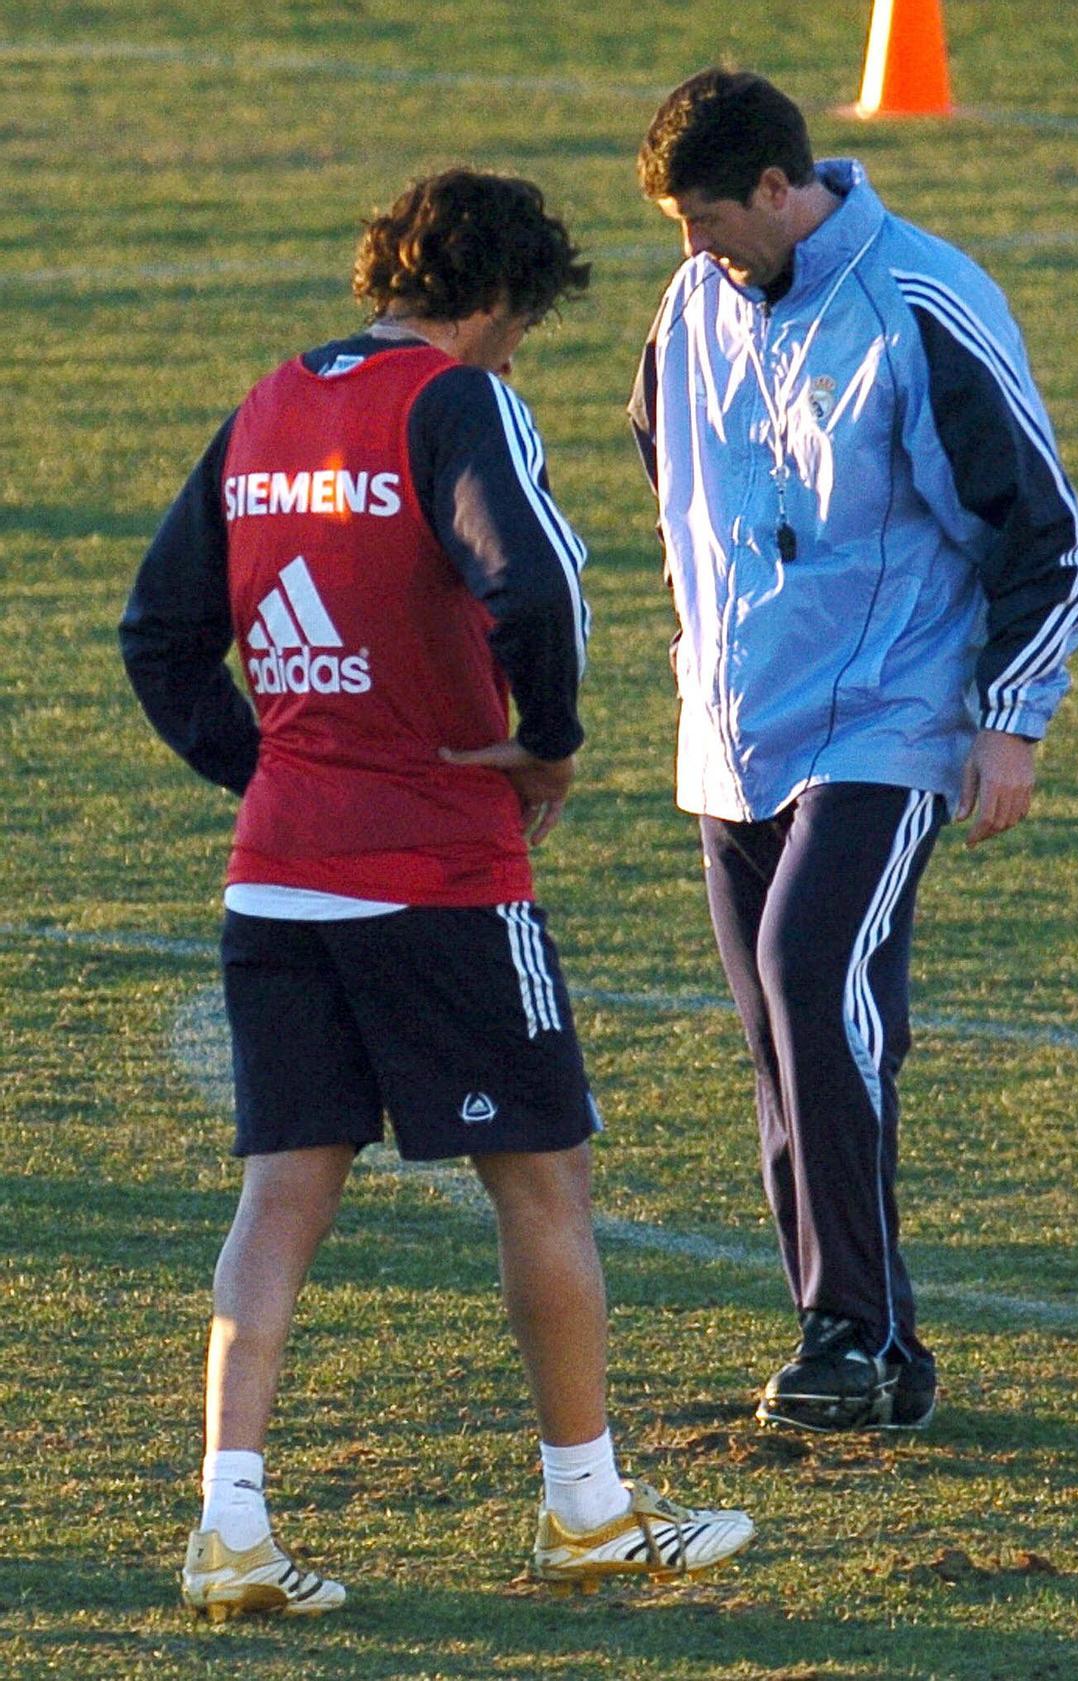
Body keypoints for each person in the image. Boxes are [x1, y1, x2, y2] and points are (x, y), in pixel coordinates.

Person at [120, 167, 752, 1621]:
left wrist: (277, 766)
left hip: (279, 878)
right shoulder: (454, 401)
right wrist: (549, 741)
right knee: (544, 1177)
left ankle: (230, 1524)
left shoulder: (268, 401)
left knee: (281, 1196)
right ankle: (589, 1507)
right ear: (493, 302)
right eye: (523, 324)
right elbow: (530, 584)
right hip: (445, 875)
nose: (520, 353)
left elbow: (161, 632)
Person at [629, 71, 1078, 1435]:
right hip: (730, 737)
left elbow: (1050, 537)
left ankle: (850, 1325)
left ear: (780, 191)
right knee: (784, 1038)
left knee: (810, 970)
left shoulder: (922, 302)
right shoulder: (690, 308)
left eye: (709, 221)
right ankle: (870, 1348)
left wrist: (1010, 717)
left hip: (886, 722)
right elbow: (671, 470)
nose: (694, 253)